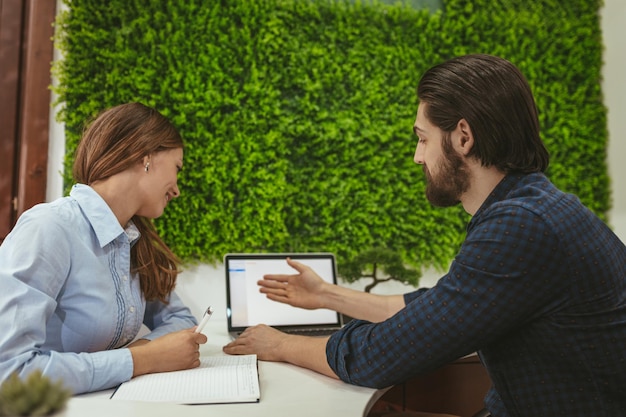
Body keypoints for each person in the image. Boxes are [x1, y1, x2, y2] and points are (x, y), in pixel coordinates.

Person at [224, 54, 626, 416]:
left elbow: (382, 357)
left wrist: (280, 345)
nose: (418, 156)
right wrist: (327, 295)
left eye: (422, 138)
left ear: (463, 137)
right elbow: (438, 307)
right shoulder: (537, 205)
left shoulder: (521, 227)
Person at [0, 102, 207, 395]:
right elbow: (9, 373)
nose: (177, 189)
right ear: (145, 158)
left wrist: (144, 350)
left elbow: (181, 319)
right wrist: (139, 361)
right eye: (177, 168)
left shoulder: (134, 240)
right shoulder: (48, 228)